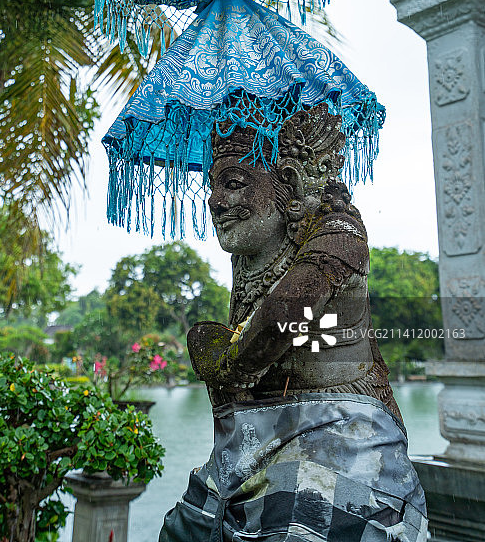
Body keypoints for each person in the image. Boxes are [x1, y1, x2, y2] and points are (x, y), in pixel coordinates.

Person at [159, 104, 427, 542]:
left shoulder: (338, 233)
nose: (215, 200)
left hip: (345, 433)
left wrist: (215, 356)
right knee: (185, 527)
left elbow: (278, 324)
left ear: (288, 182)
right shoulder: (249, 257)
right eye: (212, 185)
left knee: (297, 521)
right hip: (260, 442)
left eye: (233, 184)